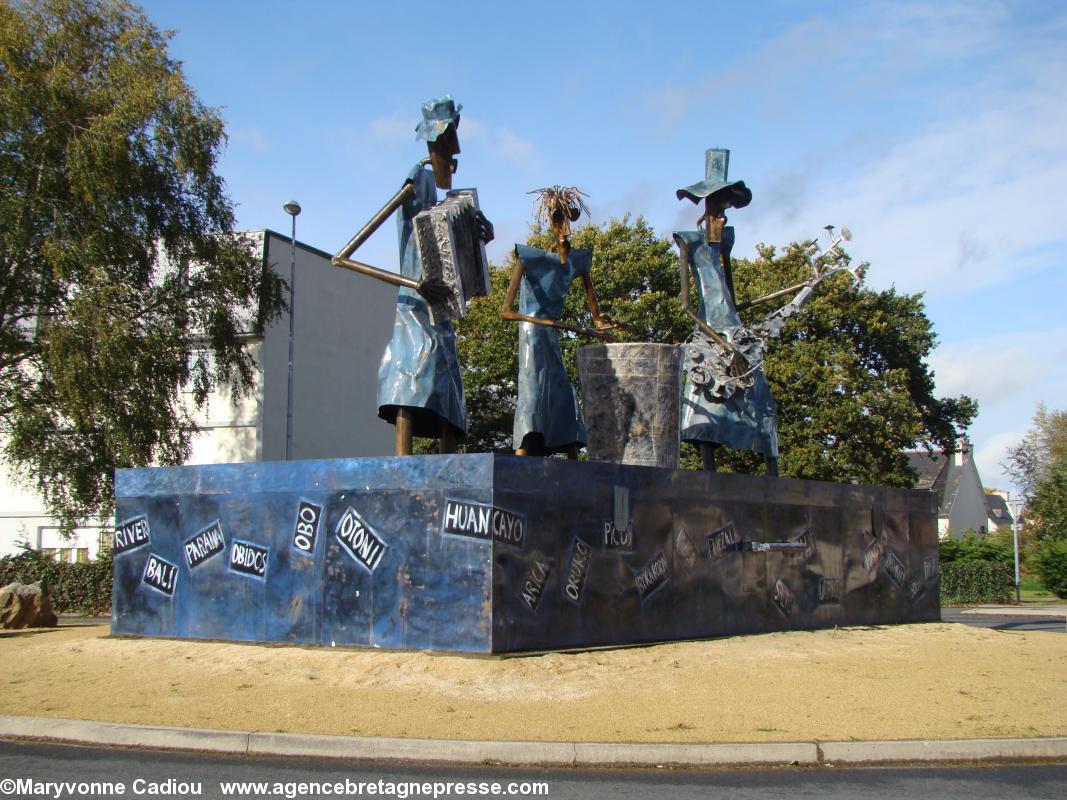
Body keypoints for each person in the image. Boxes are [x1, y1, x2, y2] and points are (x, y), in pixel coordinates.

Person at [332, 96, 492, 455]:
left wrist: (478, 238)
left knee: (448, 397)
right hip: (414, 311)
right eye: (451, 144)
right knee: (410, 379)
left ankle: (449, 476)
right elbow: (342, 256)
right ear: (438, 139)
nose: (456, 155)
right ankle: (402, 467)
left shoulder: (437, 193)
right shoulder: (415, 181)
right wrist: (415, 283)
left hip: (440, 313)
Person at [674, 148, 779, 475]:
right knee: (706, 409)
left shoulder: (727, 239)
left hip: (733, 332)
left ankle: (772, 473)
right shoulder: (689, 241)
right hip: (712, 335)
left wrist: (740, 332)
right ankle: (709, 474)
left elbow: (730, 292)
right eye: (718, 202)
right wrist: (720, 343)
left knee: (760, 401)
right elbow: (687, 307)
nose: (723, 210)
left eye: (726, 203)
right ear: (707, 203)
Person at [500, 187, 620, 457]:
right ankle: (520, 462)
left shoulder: (578, 262)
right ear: (552, 223)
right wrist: (549, 323)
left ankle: (573, 465)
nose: (566, 229)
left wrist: (609, 323)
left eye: (570, 218)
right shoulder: (530, 259)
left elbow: (597, 318)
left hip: (551, 337)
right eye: (559, 219)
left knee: (562, 392)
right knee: (532, 393)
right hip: (532, 334)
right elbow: (505, 311)